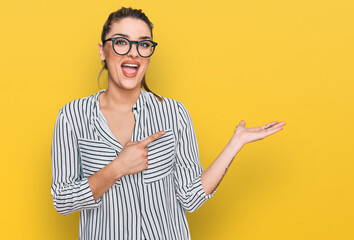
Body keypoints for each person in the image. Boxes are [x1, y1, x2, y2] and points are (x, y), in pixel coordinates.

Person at [50, 7, 286, 240]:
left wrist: (237, 142)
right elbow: (62, 200)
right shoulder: (72, 117)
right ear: (103, 50)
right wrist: (117, 168)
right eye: (122, 42)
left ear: (149, 55)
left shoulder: (174, 113)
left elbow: (191, 198)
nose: (134, 53)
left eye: (143, 44)